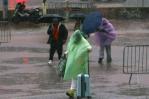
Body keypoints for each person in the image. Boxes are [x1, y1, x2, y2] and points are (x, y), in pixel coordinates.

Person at [63, 30, 92, 97]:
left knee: (82, 76)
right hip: (74, 61)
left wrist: (88, 49)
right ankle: (73, 90)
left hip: (81, 62)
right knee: (74, 75)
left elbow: (89, 47)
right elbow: (70, 48)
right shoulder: (73, 40)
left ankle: (83, 90)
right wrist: (66, 52)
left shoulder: (83, 41)